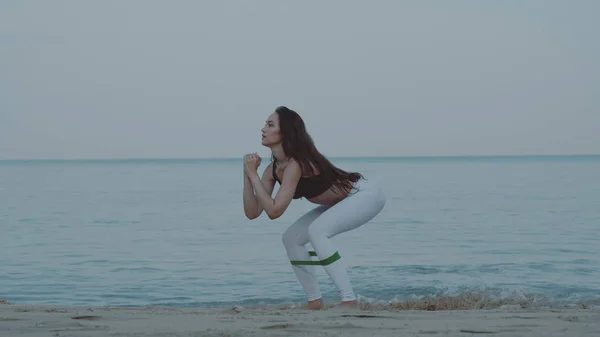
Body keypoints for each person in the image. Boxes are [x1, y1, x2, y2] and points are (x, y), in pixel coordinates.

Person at [242, 106, 386, 310]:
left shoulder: (297, 164)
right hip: (339, 201)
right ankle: (314, 301)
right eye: (265, 124)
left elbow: (274, 211)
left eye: (270, 124)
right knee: (290, 238)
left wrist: (253, 175)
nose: (263, 128)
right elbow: (253, 212)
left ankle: (349, 300)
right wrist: (248, 175)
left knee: (317, 231)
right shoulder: (273, 169)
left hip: (365, 194)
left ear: (285, 132)